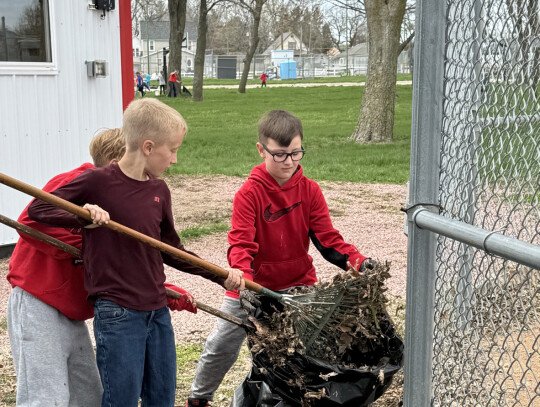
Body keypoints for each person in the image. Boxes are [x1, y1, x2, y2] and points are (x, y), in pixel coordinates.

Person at [28, 98, 245, 406]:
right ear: (147, 147)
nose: (175, 159)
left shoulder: (159, 191)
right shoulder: (97, 182)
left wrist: (219, 276)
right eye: (172, 150)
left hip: (156, 310)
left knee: (162, 398)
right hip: (117, 312)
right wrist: (83, 216)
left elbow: (171, 249)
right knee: (123, 400)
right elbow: (38, 209)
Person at [187, 110, 375, 407]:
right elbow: (241, 243)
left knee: (300, 357)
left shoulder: (310, 191)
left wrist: (360, 262)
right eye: (280, 155)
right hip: (252, 288)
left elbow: (329, 242)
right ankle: (198, 398)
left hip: (298, 288)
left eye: (295, 153)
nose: (289, 162)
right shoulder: (249, 194)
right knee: (222, 343)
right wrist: (241, 277)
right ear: (261, 149)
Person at [6, 128, 126, 407]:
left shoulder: (120, 202)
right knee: (46, 398)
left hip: (72, 312)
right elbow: (30, 221)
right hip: (39, 302)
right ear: (116, 164)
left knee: (89, 398)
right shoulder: (77, 182)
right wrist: (88, 239)